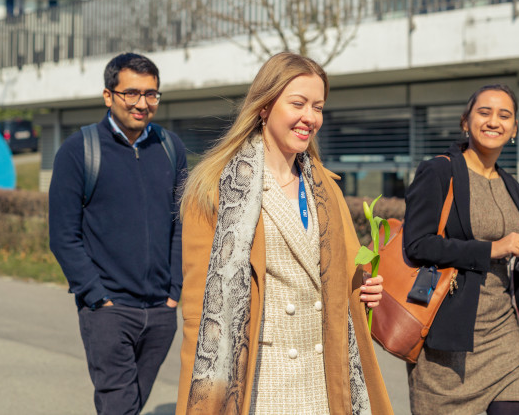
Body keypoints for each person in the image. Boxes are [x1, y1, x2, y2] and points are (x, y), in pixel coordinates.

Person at [176, 52, 393, 415]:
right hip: (261, 382)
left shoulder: (326, 187)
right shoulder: (216, 189)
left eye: (318, 107)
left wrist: (365, 286)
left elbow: (342, 274)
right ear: (264, 107)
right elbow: (201, 316)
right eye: (298, 103)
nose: (310, 117)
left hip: (325, 376)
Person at [49, 52, 187, 415]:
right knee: (119, 405)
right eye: (132, 93)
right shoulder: (79, 150)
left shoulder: (171, 148)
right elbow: (63, 235)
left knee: (130, 404)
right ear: (108, 95)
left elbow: (181, 224)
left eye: (152, 94)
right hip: (108, 310)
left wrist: (174, 292)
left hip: (160, 311)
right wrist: (96, 296)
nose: (142, 104)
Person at [403, 84, 519, 415]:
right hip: (447, 342)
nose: (494, 121)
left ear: (514, 129)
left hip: (505, 338)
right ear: (465, 122)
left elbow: (508, 259)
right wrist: (491, 248)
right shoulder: (438, 171)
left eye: (504, 115)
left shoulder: (513, 186)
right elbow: (418, 244)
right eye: (484, 112)